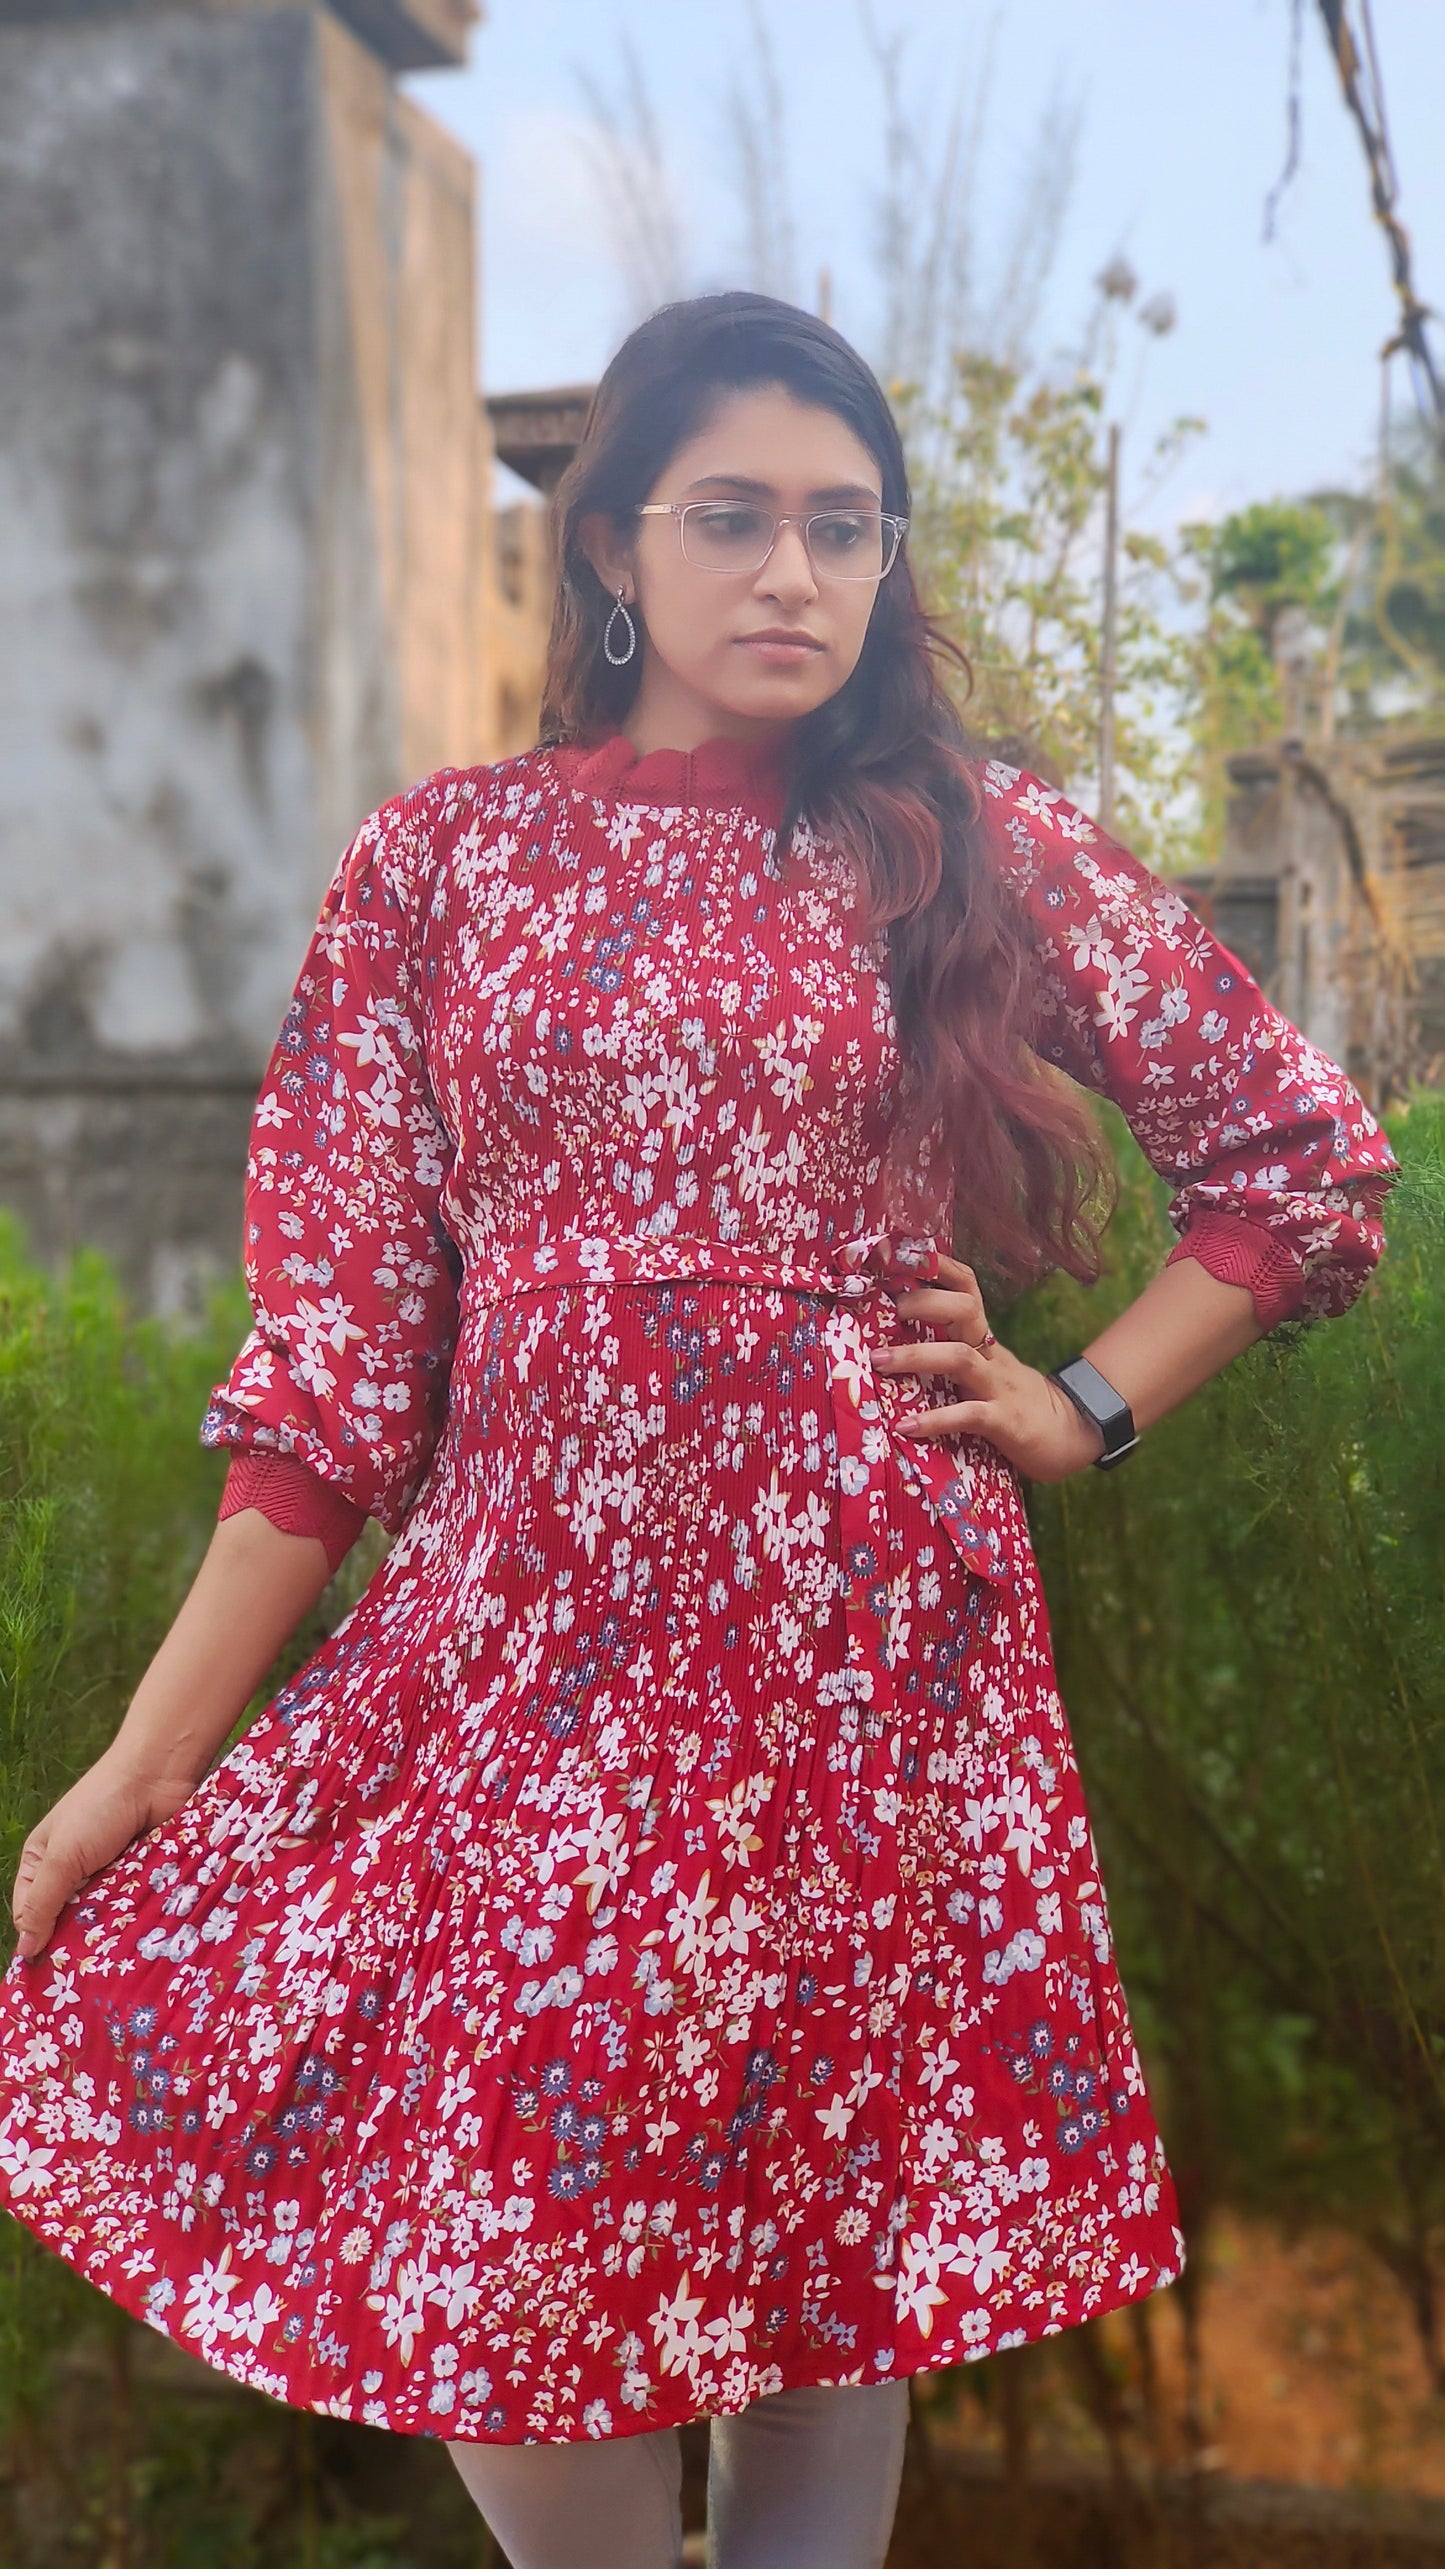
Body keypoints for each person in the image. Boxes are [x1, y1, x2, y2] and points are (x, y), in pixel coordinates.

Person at [0, 292, 1395, 2569]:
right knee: (514, 2224)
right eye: (732, 517)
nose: (793, 576)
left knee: (832, 2260)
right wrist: (147, 1761)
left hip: (868, 1653)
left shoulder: (971, 841)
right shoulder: (441, 867)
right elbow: (333, 1384)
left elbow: (1301, 1155)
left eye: (843, 528)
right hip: (532, 1650)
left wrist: (1084, 1404)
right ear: (615, 553)